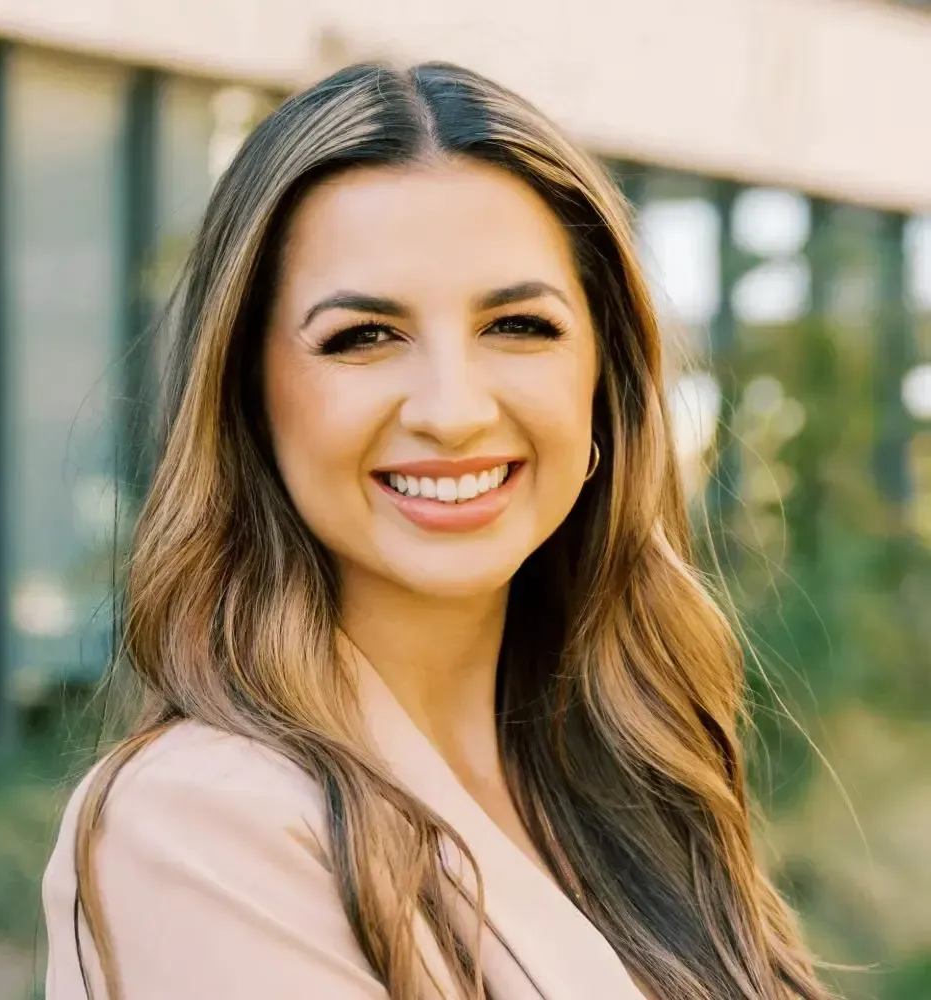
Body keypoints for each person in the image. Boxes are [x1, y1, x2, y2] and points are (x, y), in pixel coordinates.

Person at [43, 61, 831, 1000]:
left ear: (603, 388)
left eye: (518, 326)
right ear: (249, 399)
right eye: (364, 337)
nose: (453, 412)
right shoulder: (204, 822)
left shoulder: (629, 777)